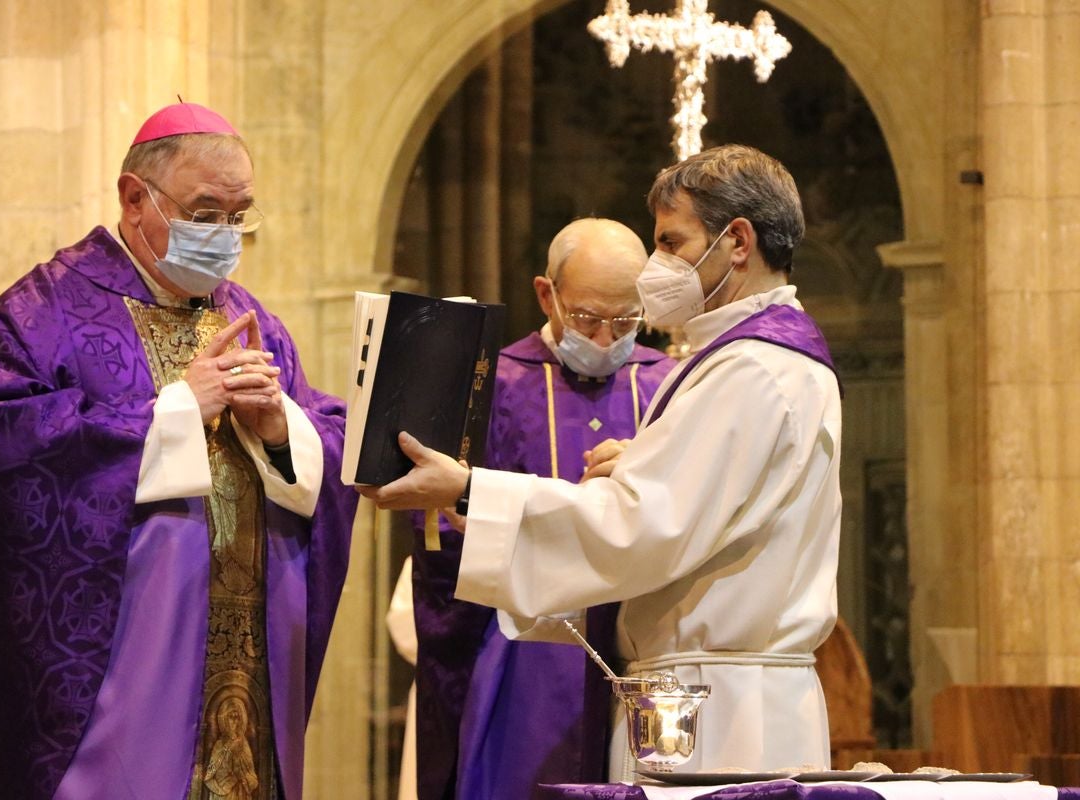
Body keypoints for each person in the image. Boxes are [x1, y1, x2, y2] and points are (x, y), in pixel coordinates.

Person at [360, 144, 842, 779]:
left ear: (738, 242)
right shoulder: (753, 361)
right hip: (699, 694)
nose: (659, 266)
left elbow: (639, 526)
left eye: (672, 242)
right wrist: (647, 462)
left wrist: (471, 491)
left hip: (720, 708)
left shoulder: (750, 367)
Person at [0, 102, 358, 800]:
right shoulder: (40, 314)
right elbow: (7, 456)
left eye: (239, 216)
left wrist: (278, 429)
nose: (225, 236)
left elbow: (333, 443)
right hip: (121, 683)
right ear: (134, 198)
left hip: (247, 670)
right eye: (205, 213)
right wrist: (174, 412)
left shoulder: (254, 322)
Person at [399, 218, 676, 799]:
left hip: (640, 654)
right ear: (546, 294)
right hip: (520, 654)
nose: (605, 339)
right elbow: (436, 527)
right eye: (586, 318)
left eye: (626, 320)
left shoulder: (670, 387)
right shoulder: (489, 384)